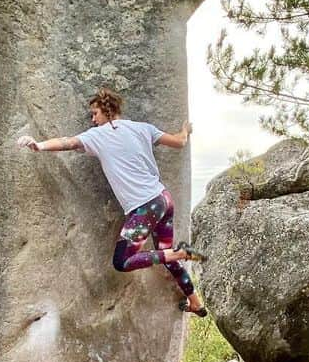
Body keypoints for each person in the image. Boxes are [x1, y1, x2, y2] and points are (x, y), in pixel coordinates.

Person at [17, 88, 208, 316]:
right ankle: (196, 303)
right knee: (164, 254)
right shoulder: (143, 128)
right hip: (163, 200)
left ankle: (179, 254)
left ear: (107, 110)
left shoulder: (97, 135)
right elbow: (178, 142)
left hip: (146, 207)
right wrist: (185, 130)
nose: (93, 119)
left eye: (95, 113)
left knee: (123, 260)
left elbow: (67, 142)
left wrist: (38, 145)